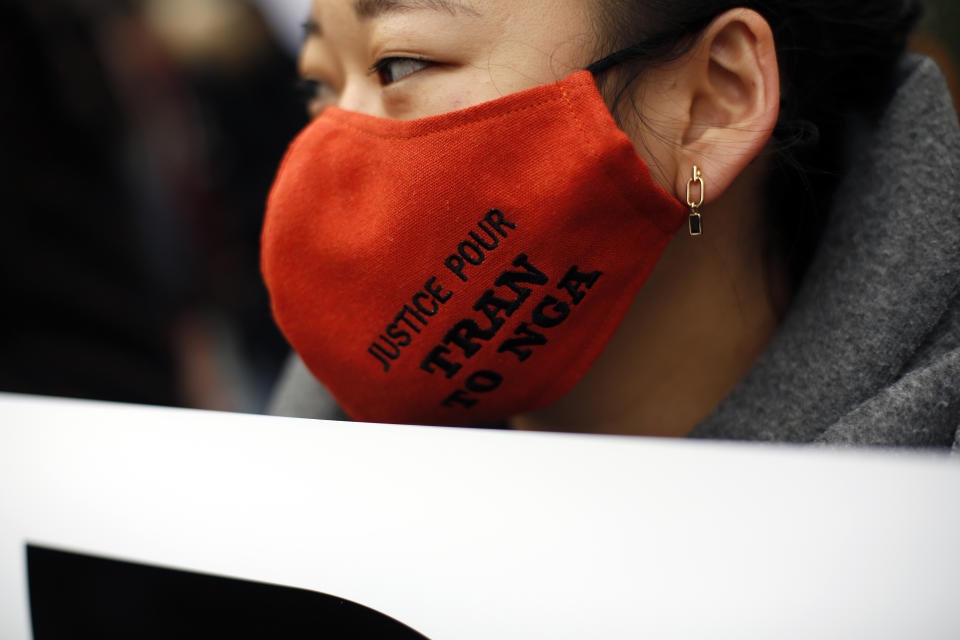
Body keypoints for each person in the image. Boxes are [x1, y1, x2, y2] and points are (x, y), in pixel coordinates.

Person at [264, 0, 960, 449]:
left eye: (399, 64)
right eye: (319, 86)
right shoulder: (296, 509)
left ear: (711, 103)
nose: (332, 146)